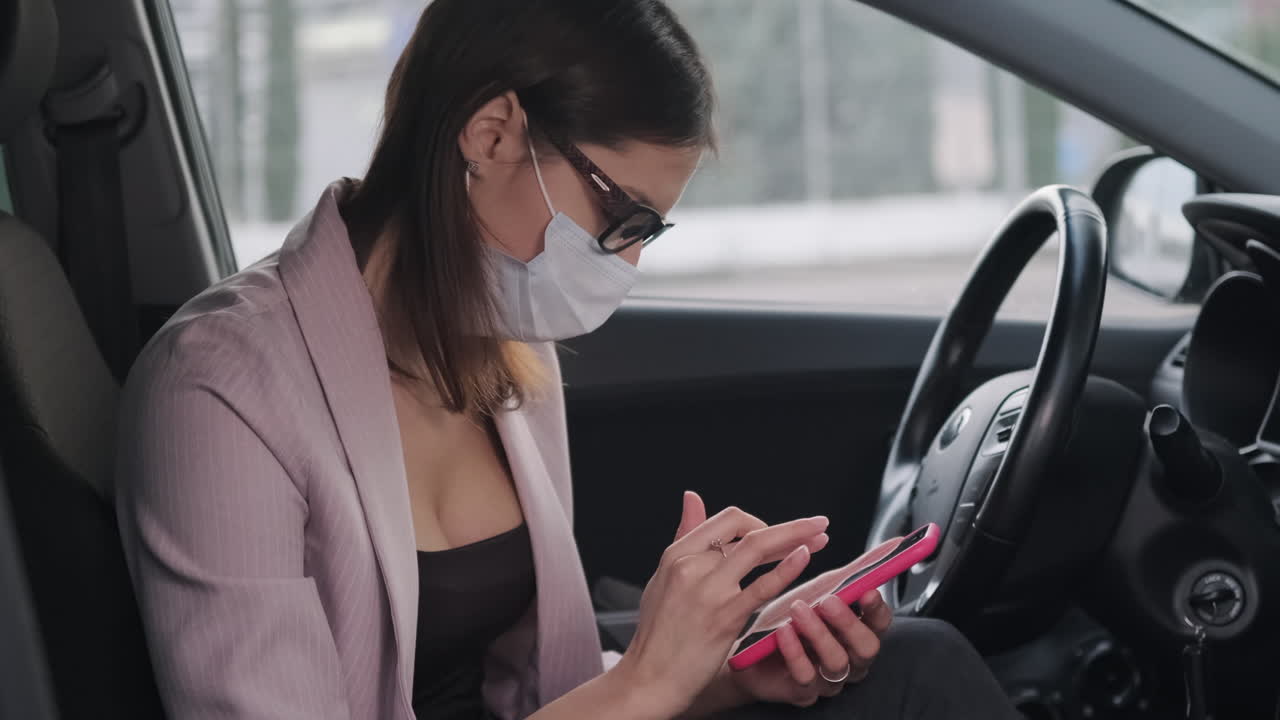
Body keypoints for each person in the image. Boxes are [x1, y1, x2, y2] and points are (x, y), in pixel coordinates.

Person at [114, 0, 1021, 718]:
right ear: (493, 134)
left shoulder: (506, 352)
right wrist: (647, 684)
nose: (625, 265)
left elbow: (545, 692)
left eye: (648, 235)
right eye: (618, 220)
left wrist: (725, 672)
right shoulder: (219, 392)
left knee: (912, 661)